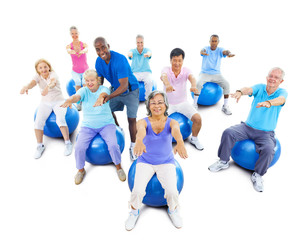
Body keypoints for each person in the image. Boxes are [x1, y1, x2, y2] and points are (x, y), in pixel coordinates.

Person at [208, 67, 288, 192]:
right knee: (228, 132)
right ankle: (223, 161)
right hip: (247, 127)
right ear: (267, 78)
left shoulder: (282, 92)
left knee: (268, 149)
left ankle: (258, 175)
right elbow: (249, 89)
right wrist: (240, 91)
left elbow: (281, 100)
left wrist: (269, 102)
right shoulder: (260, 87)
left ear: (281, 81)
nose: (272, 79)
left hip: (266, 133)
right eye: (271, 76)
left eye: (276, 77)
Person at [125, 90, 188, 231]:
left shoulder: (172, 122)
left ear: (165, 105)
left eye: (160, 102)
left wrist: (180, 142)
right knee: (137, 191)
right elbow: (140, 130)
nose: (156, 106)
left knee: (172, 191)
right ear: (148, 106)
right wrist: (139, 141)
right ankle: (134, 212)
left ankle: (173, 210)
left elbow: (176, 130)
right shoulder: (143, 121)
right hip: (145, 161)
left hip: (166, 162)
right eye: (153, 103)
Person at [61, 69, 126, 185]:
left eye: (92, 80)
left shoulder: (104, 89)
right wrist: (70, 99)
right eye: (87, 81)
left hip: (106, 124)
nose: (89, 83)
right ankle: (81, 170)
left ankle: (119, 167)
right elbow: (76, 96)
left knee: (113, 145)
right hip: (88, 126)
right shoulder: (84, 91)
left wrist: (101, 98)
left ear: (98, 80)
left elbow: (104, 94)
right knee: (79, 147)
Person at [94, 37, 140, 161]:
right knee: (106, 110)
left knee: (131, 120)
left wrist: (108, 96)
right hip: (115, 89)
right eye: (97, 49)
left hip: (131, 90)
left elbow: (124, 86)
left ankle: (133, 146)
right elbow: (100, 81)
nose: (101, 51)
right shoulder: (98, 62)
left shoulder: (120, 59)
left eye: (103, 47)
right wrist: (96, 93)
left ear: (108, 46)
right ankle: (119, 129)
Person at [20, 59, 73, 159]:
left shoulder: (53, 74)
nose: (43, 69)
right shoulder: (37, 76)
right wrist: (26, 87)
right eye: (40, 68)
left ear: (49, 67)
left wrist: (47, 88)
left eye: (45, 67)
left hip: (59, 101)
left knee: (60, 120)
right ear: (37, 70)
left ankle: (68, 143)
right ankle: (40, 146)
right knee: (38, 122)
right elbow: (32, 83)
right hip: (45, 102)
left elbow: (53, 82)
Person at [161, 48, 204, 150]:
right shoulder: (166, 69)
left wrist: (194, 85)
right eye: (174, 60)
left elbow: (192, 77)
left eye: (179, 60)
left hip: (183, 103)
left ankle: (194, 139)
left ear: (182, 61)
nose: (177, 63)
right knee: (157, 123)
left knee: (198, 119)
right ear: (170, 60)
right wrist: (167, 84)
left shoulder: (186, 70)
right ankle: (160, 142)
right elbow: (164, 76)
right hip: (168, 105)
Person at [196, 34, 235, 115]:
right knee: (198, 83)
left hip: (217, 74)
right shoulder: (206, 49)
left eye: (215, 41)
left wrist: (229, 53)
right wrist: (202, 52)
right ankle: (194, 104)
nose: (213, 43)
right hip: (205, 73)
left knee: (226, 84)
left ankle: (225, 106)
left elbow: (225, 52)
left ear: (218, 42)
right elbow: (201, 51)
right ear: (209, 42)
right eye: (212, 41)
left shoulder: (220, 50)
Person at [66, 26, 89, 111]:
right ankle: (79, 103)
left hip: (85, 70)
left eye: (76, 33)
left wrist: (82, 51)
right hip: (75, 71)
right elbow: (68, 50)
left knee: (85, 84)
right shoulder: (69, 46)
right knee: (78, 84)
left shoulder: (83, 44)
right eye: (72, 33)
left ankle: (86, 102)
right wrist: (73, 52)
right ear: (70, 34)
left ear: (78, 33)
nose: (74, 35)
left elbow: (86, 49)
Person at [128, 34, 153, 100]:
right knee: (129, 82)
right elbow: (129, 53)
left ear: (143, 42)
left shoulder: (147, 50)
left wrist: (148, 54)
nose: (140, 44)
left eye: (141, 42)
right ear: (136, 43)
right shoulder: (133, 51)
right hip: (135, 73)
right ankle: (132, 98)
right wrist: (130, 55)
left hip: (146, 72)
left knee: (149, 81)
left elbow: (150, 53)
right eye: (138, 42)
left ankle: (148, 99)